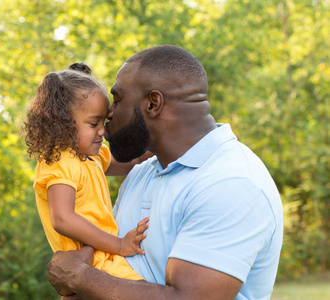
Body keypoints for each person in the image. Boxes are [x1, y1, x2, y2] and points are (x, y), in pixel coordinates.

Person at [46, 45, 284, 299]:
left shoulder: (231, 184)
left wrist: (80, 277)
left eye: (117, 100)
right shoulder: (144, 172)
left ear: (153, 104)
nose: (109, 115)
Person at [22, 63, 151, 283]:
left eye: (104, 121)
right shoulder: (58, 162)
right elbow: (62, 219)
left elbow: (132, 161)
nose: (103, 130)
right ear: (63, 124)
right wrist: (119, 244)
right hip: (91, 265)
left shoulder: (93, 155)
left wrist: (157, 148)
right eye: (94, 123)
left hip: (106, 258)